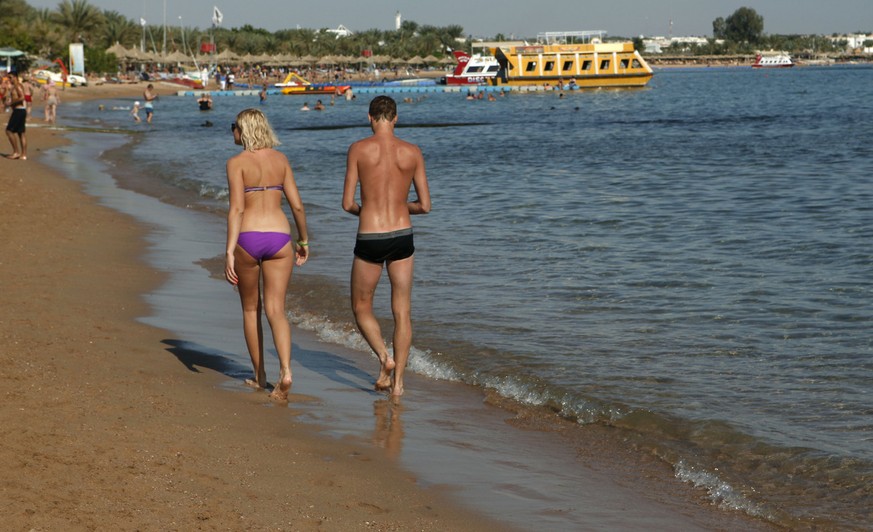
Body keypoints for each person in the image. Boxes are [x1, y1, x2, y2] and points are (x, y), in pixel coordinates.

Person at [342, 95, 431, 396]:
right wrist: (400, 206)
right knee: (402, 312)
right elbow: (425, 206)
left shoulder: (357, 149)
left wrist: (367, 209)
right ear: (395, 118)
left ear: (369, 118)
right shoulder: (413, 152)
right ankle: (399, 385)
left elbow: (347, 203)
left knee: (360, 306)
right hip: (402, 236)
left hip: (370, 237)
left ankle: (383, 357)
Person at [225, 108, 309, 401]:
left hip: (247, 238)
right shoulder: (281, 159)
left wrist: (228, 251)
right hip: (279, 238)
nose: (232, 131)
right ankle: (285, 371)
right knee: (277, 310)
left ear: (244, 130)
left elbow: (236, 209)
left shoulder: (236, 163)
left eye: (234, 126)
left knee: (251, 310)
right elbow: (297, 205)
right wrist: (304, 240)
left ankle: (260, 376)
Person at [5, 71, 27, 160]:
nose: (9, 79)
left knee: (9, 131)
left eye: (10, 77)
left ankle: (16, 152)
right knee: (21, 133)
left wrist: (11, 103)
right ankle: (23, 155)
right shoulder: (15, 86)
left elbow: (22, 97)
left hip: (19, 111)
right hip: (20, 110)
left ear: (15, 77)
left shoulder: (17, 86)